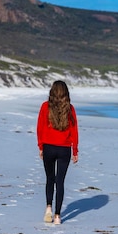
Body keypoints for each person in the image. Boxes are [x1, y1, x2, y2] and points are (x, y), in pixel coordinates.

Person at [37, 81, 79, 224]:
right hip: (64, 149)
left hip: (49, 147)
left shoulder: (45, 106)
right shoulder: (70, 108)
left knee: (50, 179)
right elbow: (74, 131)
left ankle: (48, 207)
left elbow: (40, 127)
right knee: (60, 182)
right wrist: (75, 150)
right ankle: (57, 216)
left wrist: (41, 146)